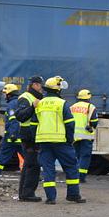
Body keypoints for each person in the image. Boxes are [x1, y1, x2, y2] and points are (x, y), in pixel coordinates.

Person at [34, 76, 85, 204]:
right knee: (71, 166)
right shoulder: (62, 103)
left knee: (48, 169)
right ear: (58, 90)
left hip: (44, 142)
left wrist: (36, 140)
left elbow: (33, 124)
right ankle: (73, 195)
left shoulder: (40, 103)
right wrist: (69, 139)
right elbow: (70, 123)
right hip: (61, 142)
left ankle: (51, 198)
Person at [15, 75, 45, 202]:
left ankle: (25, 193)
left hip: (34, 135)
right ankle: (27, 193)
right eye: (40, 85)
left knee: (30, 164)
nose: (42, 88)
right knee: (32, 165)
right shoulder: (25, 98)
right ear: (35, 85)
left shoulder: (37, 98)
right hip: (28, 135)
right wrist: (33, 107)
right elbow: (20, 116)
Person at [70, 89, 98, 182]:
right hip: (86, 136)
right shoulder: (91, 107)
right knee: (85, 156)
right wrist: (91, 126)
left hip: (74, 136)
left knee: (75, 156)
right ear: (88, 98)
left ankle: (74, 176)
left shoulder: (72, 107)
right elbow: (94, 122)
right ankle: (81, 177)